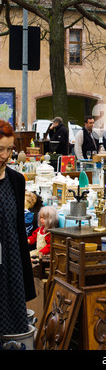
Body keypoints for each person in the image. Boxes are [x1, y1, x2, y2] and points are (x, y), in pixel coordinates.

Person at [0, 119, 36, 336]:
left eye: (9, 150)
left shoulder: (16, 179)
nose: (4, 155)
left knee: (12, 326)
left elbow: (19, 228)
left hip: (11, 264)